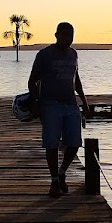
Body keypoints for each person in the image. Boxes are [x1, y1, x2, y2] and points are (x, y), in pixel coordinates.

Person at [28, 21, 91, 198]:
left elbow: (76, 79)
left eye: (70, 35)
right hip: (51, 104)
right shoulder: (44, 55)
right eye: (64, 35)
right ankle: (54, 180)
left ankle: (62, 172)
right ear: (56, 35)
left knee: (75, 143)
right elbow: (32, 81)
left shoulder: (73, 54)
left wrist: (84, 101)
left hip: (71, 104)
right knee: (52, 144)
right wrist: (36, 102)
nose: (67, 39)